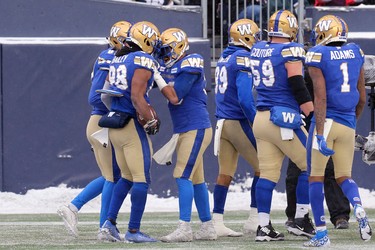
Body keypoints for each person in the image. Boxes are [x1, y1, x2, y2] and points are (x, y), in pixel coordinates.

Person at [57, 20, 131, 239]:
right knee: (112, 177)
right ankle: (103, 227)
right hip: (102, 121)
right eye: (128, 39)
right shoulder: (111, 57)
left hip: (100, 121)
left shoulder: (108, 55)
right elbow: (97, 96)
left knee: (113, 174)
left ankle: (73, 207)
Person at [304, 15, 371, 247]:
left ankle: (321, 234)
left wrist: (320, 132)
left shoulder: (317, 55)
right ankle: (359, 207)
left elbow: (320, 97)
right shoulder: (355, 52)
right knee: (344, 176)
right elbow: (361, 96)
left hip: (327, 121)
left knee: (315, 177)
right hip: (348, 121)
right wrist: (352, 122)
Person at [249, 9, 315, 242]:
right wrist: (312, 112)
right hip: (282, 119)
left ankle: (263, 226)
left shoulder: (257, 48)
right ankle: (301, 219)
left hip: (261, 119)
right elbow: (297, 83)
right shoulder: (290, 50)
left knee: (267, 174)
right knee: (312, 165)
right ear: (291, 29)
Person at [98, 21, 161, 243]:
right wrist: (151, 118)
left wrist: (118, 111)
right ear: (145, 40)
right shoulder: (142, 59)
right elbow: (137, 97)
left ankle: (109, 224)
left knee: (125, 177)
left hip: (115, 123)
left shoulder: (117, 57)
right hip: (131, 125)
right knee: (142, 179)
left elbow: (105, 94)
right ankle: (133, 231)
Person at [152, 27, 217, 242]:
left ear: (180, 46)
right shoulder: (169, 64)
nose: (164, 55)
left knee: (182, 175)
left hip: (195, 127)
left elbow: (175, 97)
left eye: (168, 49)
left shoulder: (192, 61)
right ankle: (207, 226)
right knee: (197, 179)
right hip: (186, 128)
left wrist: (158, 76)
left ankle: (184, 227)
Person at [285, 58, 351, 230]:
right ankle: (294, 215)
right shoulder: (294, 64)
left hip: (324, 118)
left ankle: (339, 215)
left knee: (330, 168)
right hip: (303, 119)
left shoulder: (326, 65)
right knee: (297, 170)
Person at [212, 18, 260, 237]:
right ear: (246, 36)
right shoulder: (243, 57)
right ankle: (254, 219)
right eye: (255, 35)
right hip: (237, 121)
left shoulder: (226, 56)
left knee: (225, 174)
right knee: (265, 167)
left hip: (222, 122)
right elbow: (244, 98)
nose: (258, 39)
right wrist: (255, 120)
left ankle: (217, 221)